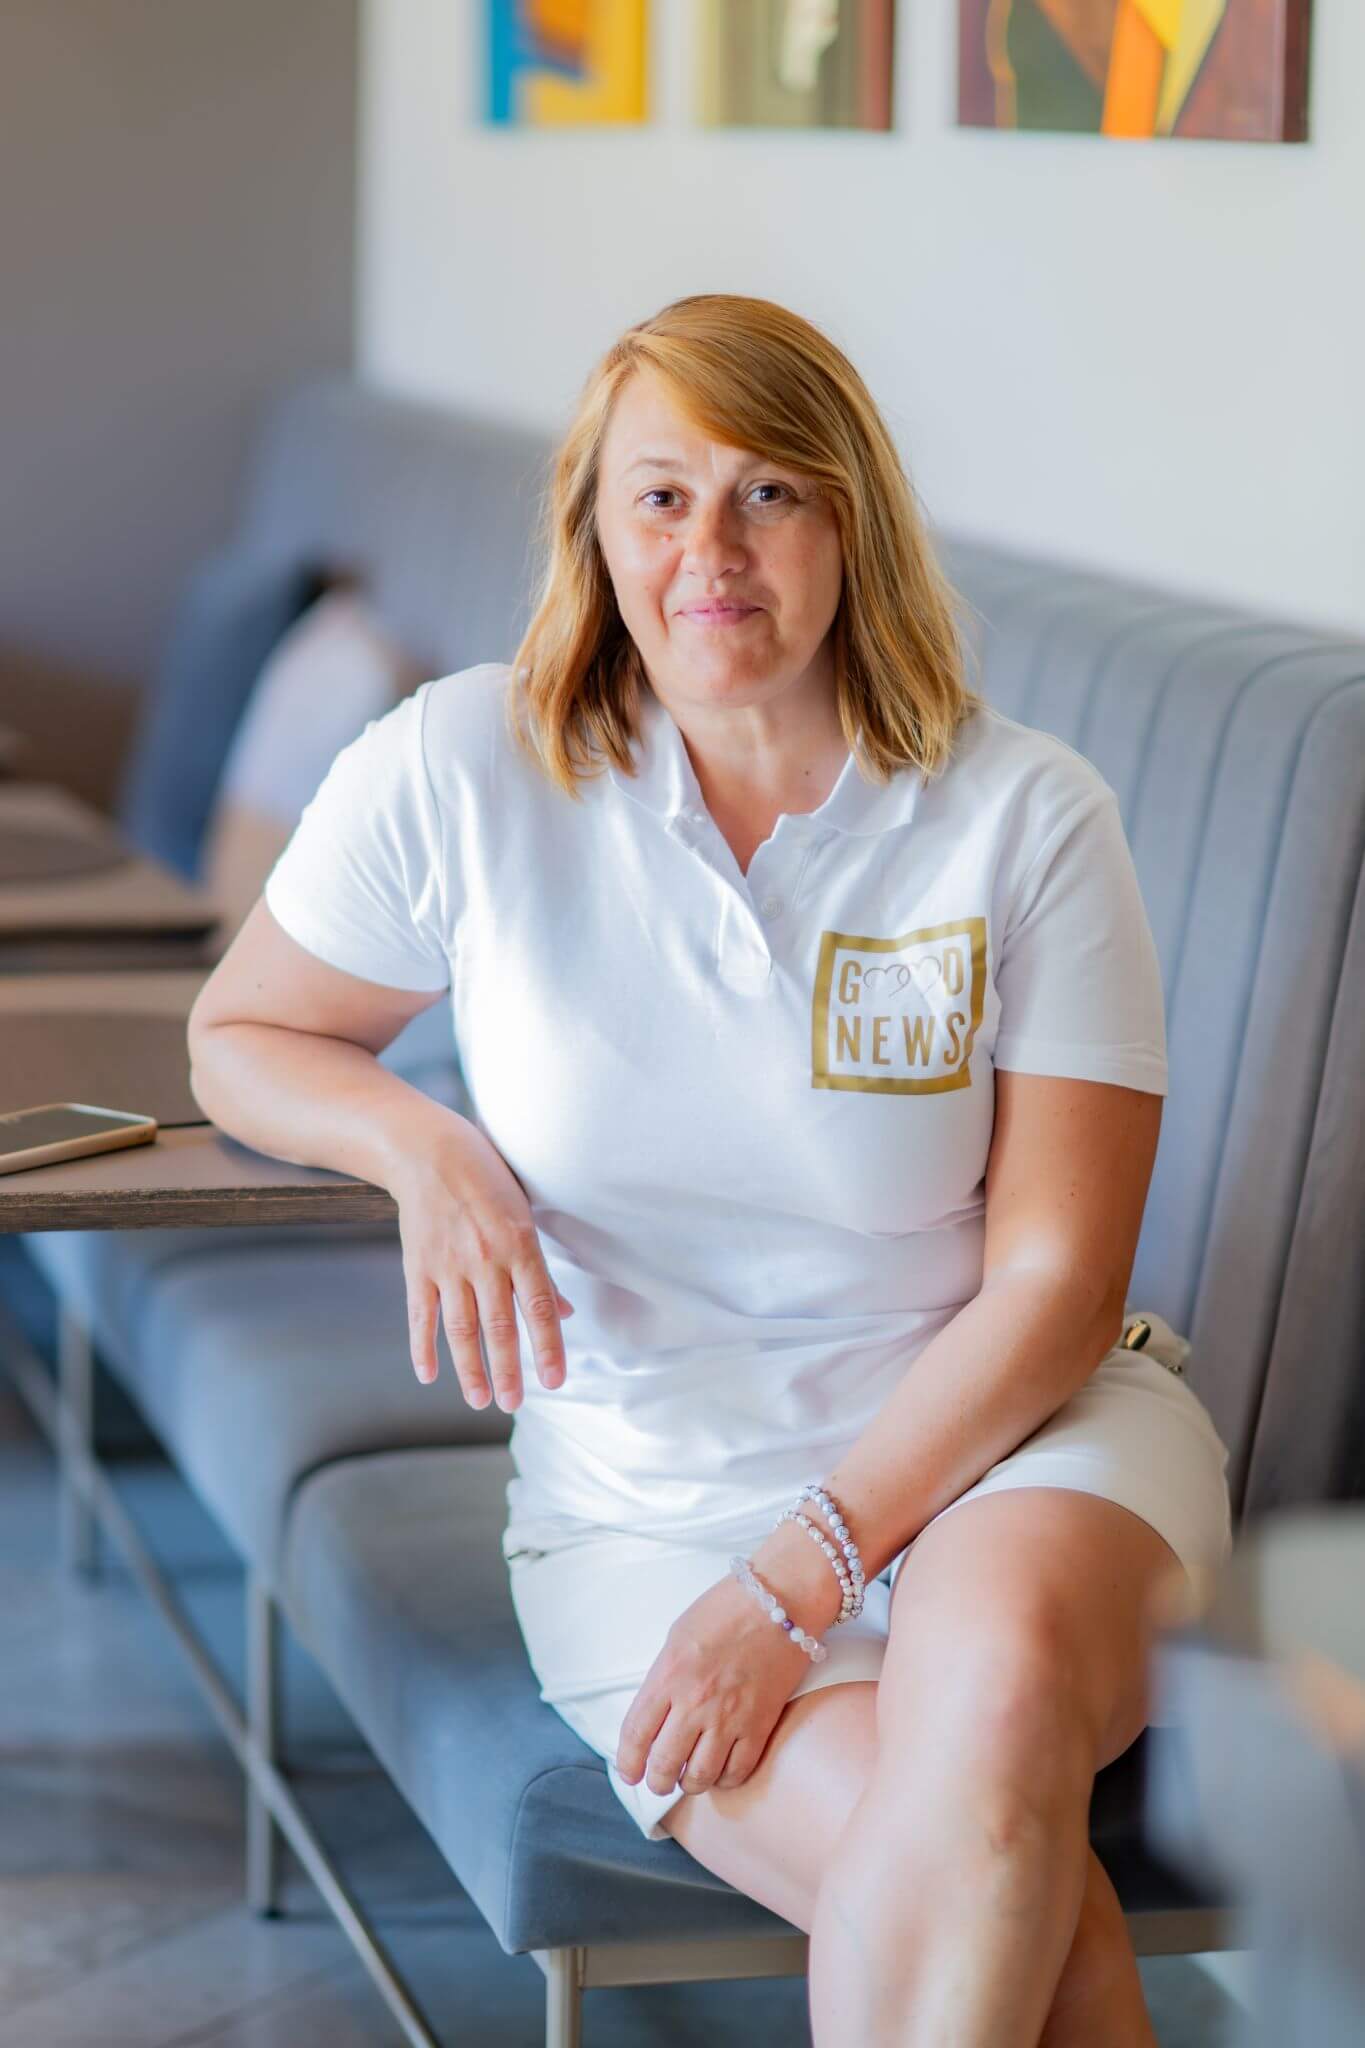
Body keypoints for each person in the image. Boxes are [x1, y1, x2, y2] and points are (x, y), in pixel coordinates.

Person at [186, 293, 1234, 2047]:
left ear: (850, 523)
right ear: (594, 530)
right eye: (662, 497)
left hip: (1013, 1446)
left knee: (989, 1717)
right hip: (647, 1509)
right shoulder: (464, 765)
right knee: (1014, 1911)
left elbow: (1058, 1284)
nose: (712, 552)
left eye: (769, 495)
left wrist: (795, 1580)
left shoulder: (1019, 813)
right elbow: (241, 1035)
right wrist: (421, 1144)